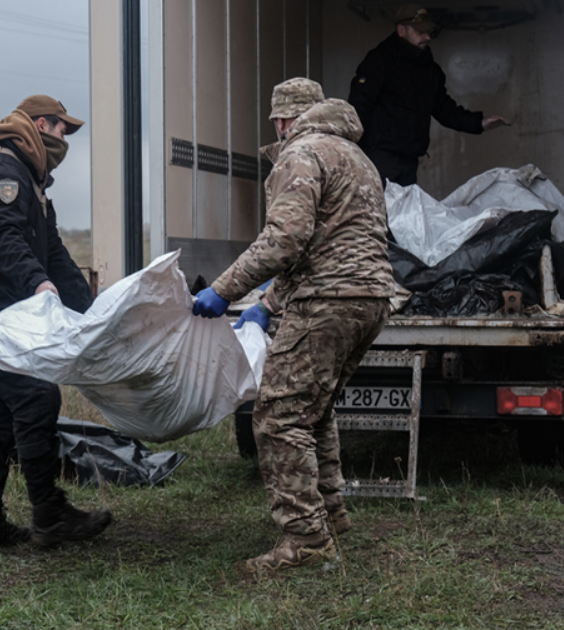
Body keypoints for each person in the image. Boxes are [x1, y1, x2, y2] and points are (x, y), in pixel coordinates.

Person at [192, 78, 395, 572]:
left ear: (283, 120)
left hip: (326, 301)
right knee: (315, 408)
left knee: (279, 415)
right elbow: (328, 241)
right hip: (370, 298)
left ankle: (305, 541)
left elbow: (285, 239)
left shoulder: (299, 153)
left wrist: (224, 290)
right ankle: (330, 512)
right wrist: (269, 299)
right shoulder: (355, 156)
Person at [0, 95, 112, 550]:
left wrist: (93, 310)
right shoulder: (2, 173)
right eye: (60, 130)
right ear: (39, 124)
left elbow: (53, 251)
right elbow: (5, 238)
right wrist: (38, 284)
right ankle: (50, 514)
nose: (64, 140)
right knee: (36, 395)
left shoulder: (32, 180)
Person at [348, 3, 511, 187]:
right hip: (378, 158)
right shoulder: (379, 61)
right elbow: (359, 106)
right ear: (401, 30)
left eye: (429, 31)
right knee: (378, 213)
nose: (427, 37)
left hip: (409, 162)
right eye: (420, 32)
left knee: (407, 215)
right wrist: (351, 150)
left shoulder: (429, 70)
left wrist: (480, 123)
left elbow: (445, 110)